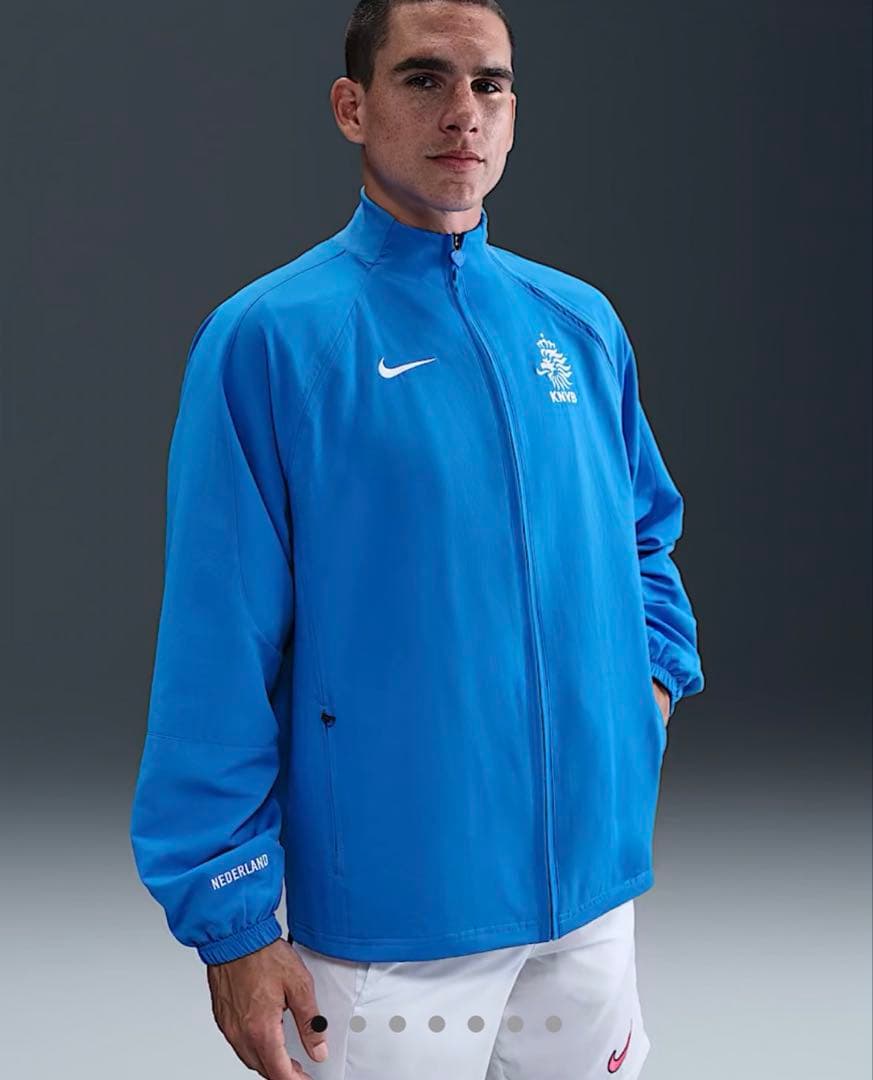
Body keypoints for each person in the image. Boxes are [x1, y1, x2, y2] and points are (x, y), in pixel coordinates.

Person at [129, 1, 705, 1077]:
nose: (463, 112)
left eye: (490, 83)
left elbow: (646, 539)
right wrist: (234, 923)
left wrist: (643, 700)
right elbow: (217, 644)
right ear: (353, 106)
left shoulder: (577, 323)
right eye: (424, 78)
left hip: (591, 906)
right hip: (388, 934)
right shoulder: (271, 339)